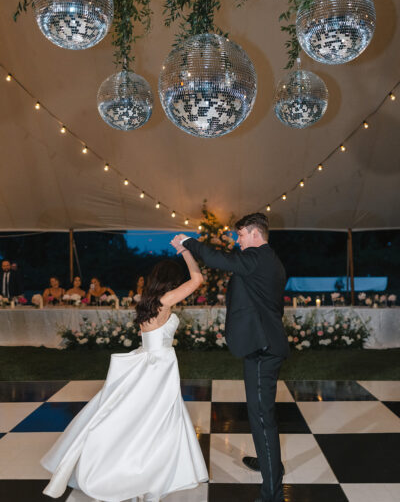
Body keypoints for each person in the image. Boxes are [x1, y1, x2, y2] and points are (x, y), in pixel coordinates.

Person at [40, 250, 208, 501]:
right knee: (157, 416)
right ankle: (157, 470)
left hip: (149, 360)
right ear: (170, 282)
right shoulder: (165, 301)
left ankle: (160, 465)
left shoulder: (147, 301)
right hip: (159, 364)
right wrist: (186, 251)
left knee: (142, 415)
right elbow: (197, 280)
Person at [172, 212, 289, 502]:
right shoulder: (265, 261)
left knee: (262, 418)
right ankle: (268, 463)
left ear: (255, 234)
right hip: (261, 344)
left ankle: (272, 492)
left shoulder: (259, 258)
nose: (237, 240)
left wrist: (188, 241)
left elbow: (217, 260)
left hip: (264, 350)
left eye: (240, 235)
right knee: (260, 414)